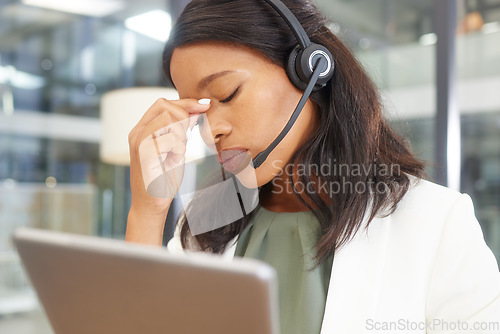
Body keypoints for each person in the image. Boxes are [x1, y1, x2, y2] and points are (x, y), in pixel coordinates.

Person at [125, 0, 500, 333]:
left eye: (227, 94)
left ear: (310, 70)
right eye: (199, 112)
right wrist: (147, 212)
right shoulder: (204, 223)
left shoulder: (436, 221)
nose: (212, 132)